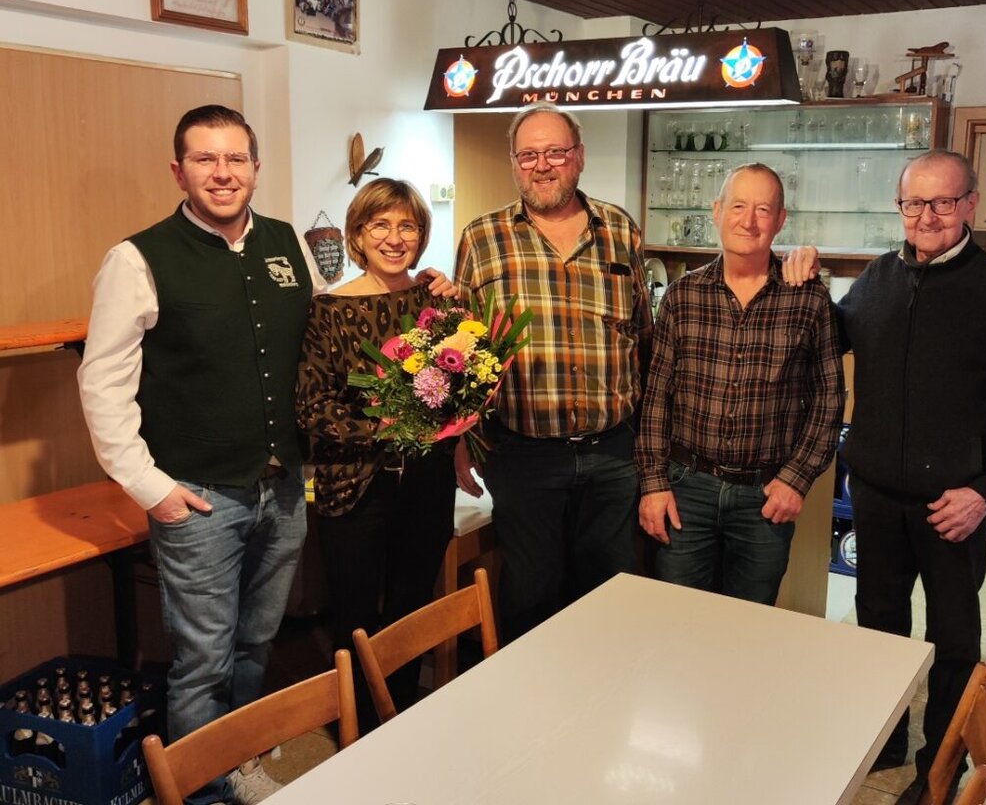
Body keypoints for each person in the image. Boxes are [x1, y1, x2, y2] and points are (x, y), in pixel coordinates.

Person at [77, 105, 327, 805]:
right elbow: (102, 384)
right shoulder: (137, 258)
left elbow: (328, 330)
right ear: (178, 170)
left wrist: (416, 291)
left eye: (236, 158)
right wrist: (149, 487)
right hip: (197, 497)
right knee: (203, 661)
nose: (223, 173)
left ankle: (239, 750)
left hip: (282, 489)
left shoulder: (286, 243)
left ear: (256, 166)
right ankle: (204, 789)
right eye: (205, 159)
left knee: (258, 642)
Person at [793, 150, 986, 805]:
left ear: (971, 203)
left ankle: (939, 766)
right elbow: (835, 336)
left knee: (952, 641)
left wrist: (985, 492)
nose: (928, 216)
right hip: (877, 493)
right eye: (915, 202)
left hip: (954, 503)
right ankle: (878, 735)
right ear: (899, 206)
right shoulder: (880, 277)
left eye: (943, 202)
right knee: (877, 622)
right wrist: (806, 289)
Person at [453, 102, 652, 641]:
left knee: (611, 596)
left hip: (612, 452)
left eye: (556, 152)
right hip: (522, 454)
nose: (542, 166)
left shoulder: (620, 231)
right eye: (529, 155)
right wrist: (461, 439)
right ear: (515, 164)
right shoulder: (481, 238)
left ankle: (606, 713)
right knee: (529, 599)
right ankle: (535, 719)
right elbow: (461, 354)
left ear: (579, 158)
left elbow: (644, 337)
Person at [636, 164, 844, 604]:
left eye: (763, 209)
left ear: (780, 220)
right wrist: (654, 484)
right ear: (717, 211)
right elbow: (656, 399)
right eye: (738, 206)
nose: (748, 221)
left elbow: (828, 399)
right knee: (678, 617)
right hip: (686, 489)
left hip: (765, 496)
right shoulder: (682, 296)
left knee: (749, 626)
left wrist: (797, 478)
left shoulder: (808, 298)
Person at [295, 179, 459, 724]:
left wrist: (452, 443)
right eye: (379, 226)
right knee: (356, 613)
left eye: (407, 225)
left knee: (411, 606)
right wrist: (392, 429)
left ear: (422, 233)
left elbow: (462, 385)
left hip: (427, 480)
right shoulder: (328, 309)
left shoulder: (437, 300)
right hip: (355, 482)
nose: (394, 238)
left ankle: (402, 713)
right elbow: (312, 408)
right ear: (357, 236)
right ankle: (358, 723)